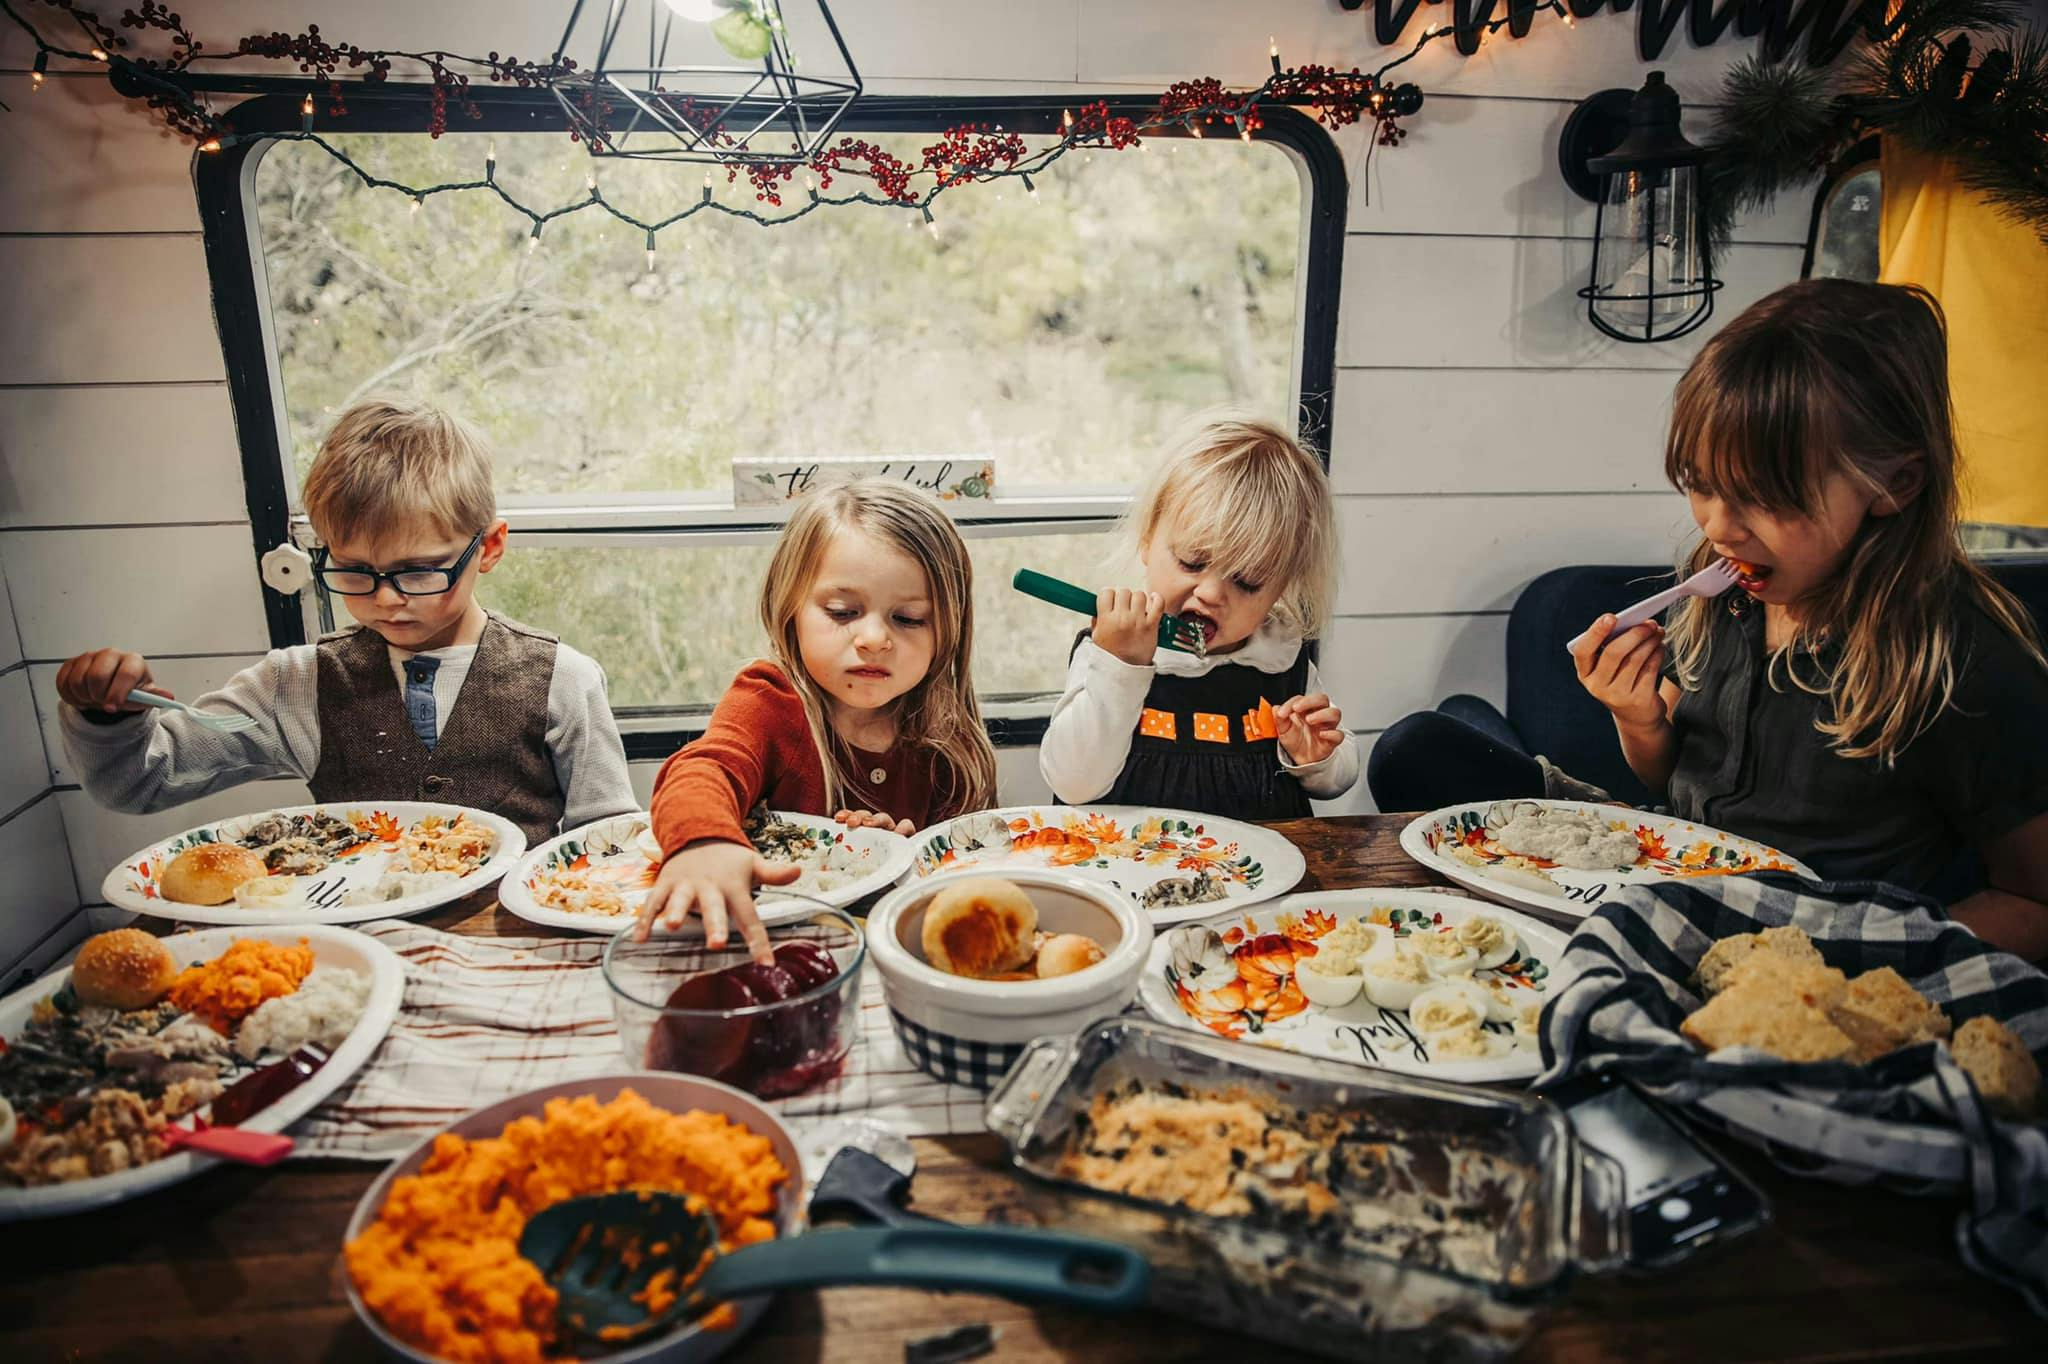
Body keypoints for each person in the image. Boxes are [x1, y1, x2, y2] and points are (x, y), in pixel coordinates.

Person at [1376, 281, 2048, 958]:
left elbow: (2031, 901)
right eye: (1700, 483)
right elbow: (1669, 782)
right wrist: (1637, 719)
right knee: (1417, 752)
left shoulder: (1968, 662)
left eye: (1764, 498)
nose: (1721, 527)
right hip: (1666, 869)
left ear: (1894, 484)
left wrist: (1853, 961)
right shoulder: (1723, 593)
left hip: (1799, 941)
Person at [56, 399, 635, 846]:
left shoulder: (563, 678)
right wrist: (106, 720)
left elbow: (608, 839)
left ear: (488, 547)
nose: (385, 599)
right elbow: (139, 783)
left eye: (418, 570)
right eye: (355, 570)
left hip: (512, 953)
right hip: (354, 953)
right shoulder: (296, 684)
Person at [638, 481, 998, 960]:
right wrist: (703, 843)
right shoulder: (769, 701)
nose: (873, 638)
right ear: (791, 609)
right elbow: (701, 771)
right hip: (763, 949)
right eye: (843, 612)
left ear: (949, 629)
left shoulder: (946, 737)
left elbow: (955, 888)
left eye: (909, 618)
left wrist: (897, 860)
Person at [1037, 416, 1355, 819]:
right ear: (1148, 542)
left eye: (1247, 582)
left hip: (1257, 872)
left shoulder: (1280, 656)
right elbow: (1072, 782)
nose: (1211, 593)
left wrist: (1316, 758)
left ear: (1282, 588)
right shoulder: (1108, 649)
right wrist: (1121, 667)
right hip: (1130, 868)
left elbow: (1339, 778)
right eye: (1192, 562)